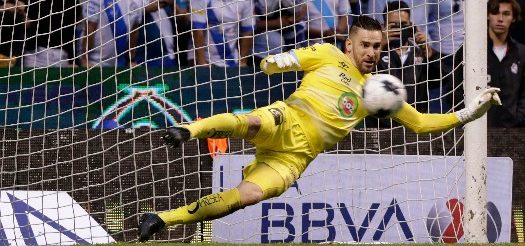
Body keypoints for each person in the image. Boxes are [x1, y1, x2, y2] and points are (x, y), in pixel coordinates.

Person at [137, 15, 501, 242]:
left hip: (296, 158)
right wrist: (278, 61)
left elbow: (421, 123)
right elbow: (270, 65)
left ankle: (162, 220)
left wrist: (467, 114)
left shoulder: (378, 92)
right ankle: (189, 129)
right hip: (286, 120)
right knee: (251, 121)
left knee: (245, 197)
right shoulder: (327, 54)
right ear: (349, 44)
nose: (371, 52)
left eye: (377, 46)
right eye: (365, 45)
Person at [377, 0, 448, 112]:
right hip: (384, 121)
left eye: (403, 25)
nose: (399, 29)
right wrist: (379, 46)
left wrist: (427, 51)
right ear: (383, 26)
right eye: (393, 25)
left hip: (415, 120)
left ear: (411, 25)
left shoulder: (420, 53)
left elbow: (441, 79)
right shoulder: (375, 54)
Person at [486, 0, 525, 127]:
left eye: (506, 14)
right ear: (487, 15)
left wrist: (518, 118)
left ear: (513, 18)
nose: (500, 19)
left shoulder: (521, 52)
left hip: (512, 131)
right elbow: (456, 90)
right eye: (495, 13)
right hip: (478, 130)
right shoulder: (471, 51)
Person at [80, 0, 144, 67]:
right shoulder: (95, 1)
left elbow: (134, 31)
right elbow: (90, 29)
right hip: (95, 63)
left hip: (121, 64)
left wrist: (131, 60)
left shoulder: (136, 2)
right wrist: (84, 59)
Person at [190, 0, 254, 67]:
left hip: (232, 60)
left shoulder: (246, 1)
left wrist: (242, 62)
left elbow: (248, 31)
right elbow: (197, 31)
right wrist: (202, 62)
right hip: (206, 59)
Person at [252, 0, 307, 66]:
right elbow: (246, 26)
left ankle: (298, 65)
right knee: (274, 41)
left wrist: (294, 19)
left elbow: (304, 6)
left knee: (299, 27)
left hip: (286, 25)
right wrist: (275, 23)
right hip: (258, 32)